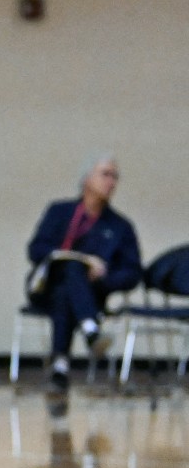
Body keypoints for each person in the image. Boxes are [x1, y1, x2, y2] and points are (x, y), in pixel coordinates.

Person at [26, 155, 141, 394]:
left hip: (91, 294)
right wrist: (79, 259)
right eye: (105, 174)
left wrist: (103, 277)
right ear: (87, 179)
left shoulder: (121, 226)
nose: (111, 182)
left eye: (115, 176)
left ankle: (60, 367)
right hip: (45, 287)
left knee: (65, 292)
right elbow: (36, 249)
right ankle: (91, 330)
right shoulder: (59, 212)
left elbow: (132, 273)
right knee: (71, 268)